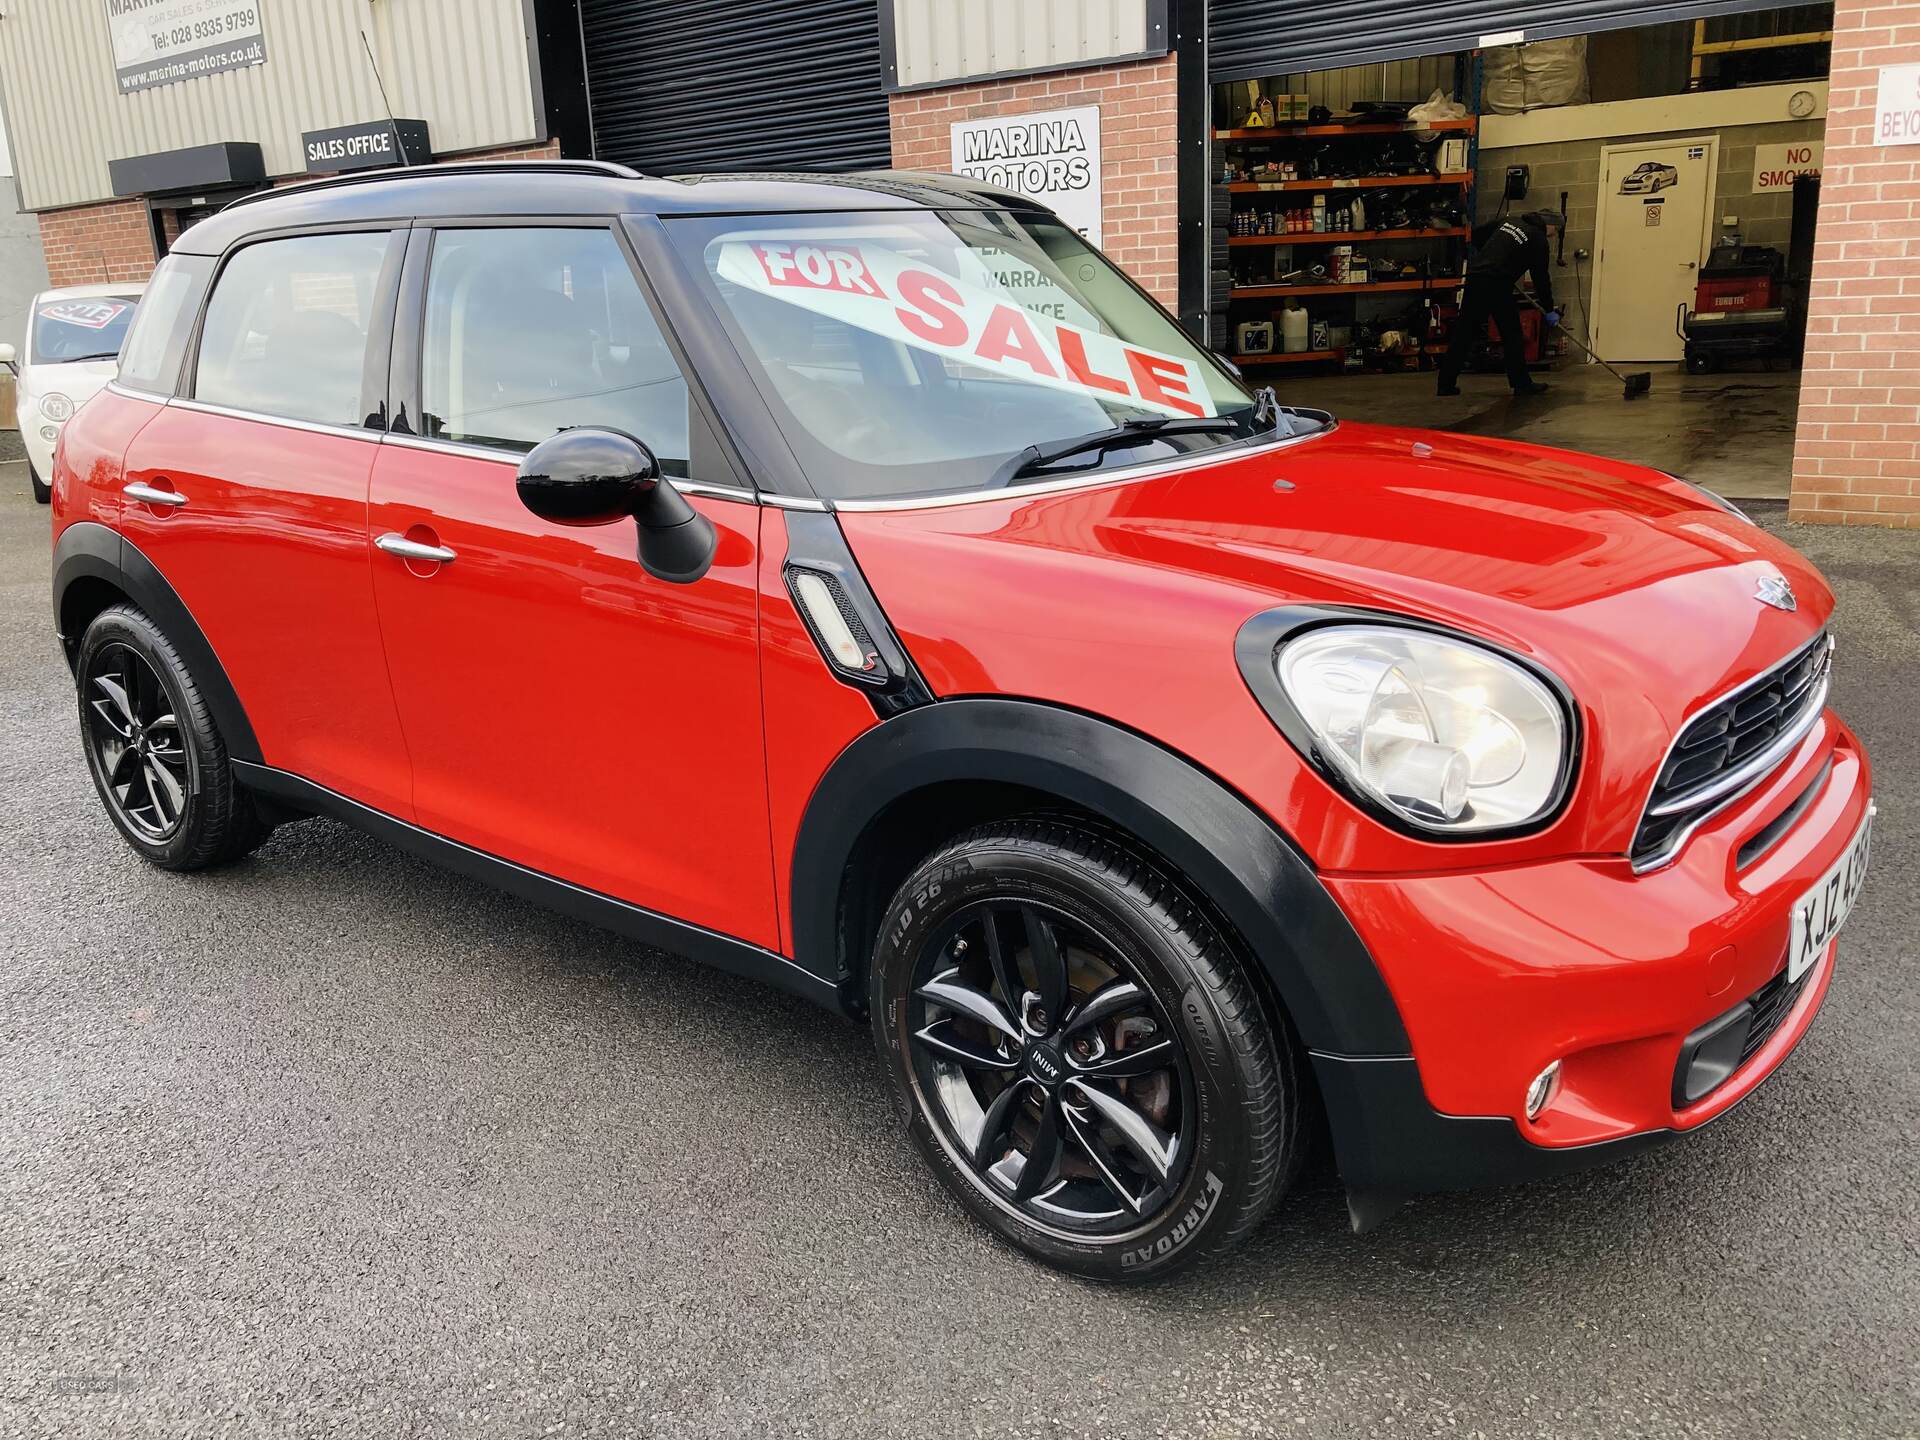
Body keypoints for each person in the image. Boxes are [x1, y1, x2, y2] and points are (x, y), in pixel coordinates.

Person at [1437, 209, 1562, 397]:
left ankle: (1445, 384)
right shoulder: (1538, 239)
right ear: (1549, 225)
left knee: (1464, 332)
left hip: (1476, 276)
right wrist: (1549, 309)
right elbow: (1541, 279)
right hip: (1497, 283)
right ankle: (1521, 384)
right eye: (1556, 230)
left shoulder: (1508, 221)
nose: (1555, 234)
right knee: (1512, 334)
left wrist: (1490, 259)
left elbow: (1477, 235)